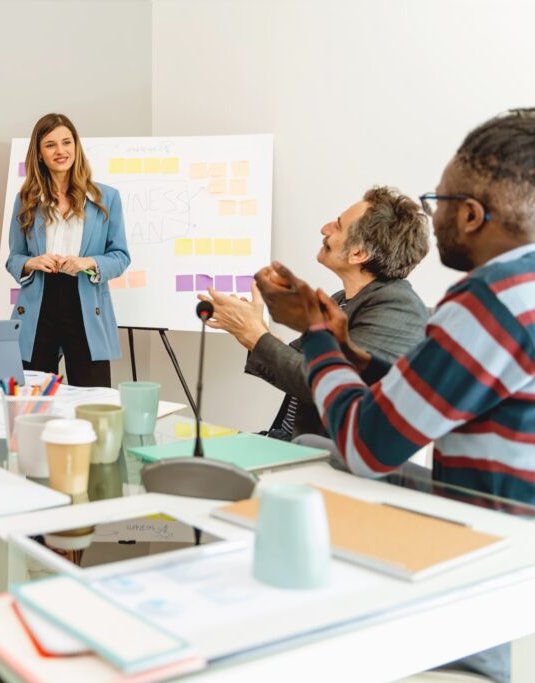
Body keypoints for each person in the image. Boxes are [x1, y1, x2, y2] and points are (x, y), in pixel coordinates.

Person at [255, 109, 535, 683]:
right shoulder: (523, 292)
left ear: (473, 214)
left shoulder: (490, 300)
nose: (436, 220)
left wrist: (311, 335)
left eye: (440, 203)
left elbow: (366, 443)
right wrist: (348, 350)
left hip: (481, 568)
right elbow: (436, 388)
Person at [199, 186, 429, 440]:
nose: (325, 228)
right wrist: (252, 326)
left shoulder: (398, 308)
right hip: (287, 441)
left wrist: (254, 334)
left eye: (338, 226)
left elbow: (327, 384)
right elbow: (296, 360)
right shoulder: (341, 300)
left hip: (328, 460)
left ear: (359, 254)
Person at [6, 113, 131, 388]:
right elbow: (14, 259)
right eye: (50, 145)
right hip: (40, 304)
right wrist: (33, 263)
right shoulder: (26, 200)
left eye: (66, 142)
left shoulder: (105, 198)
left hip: (86, 303)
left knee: (93, 401)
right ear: (39, 153)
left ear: (76, 146)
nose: (61, 151)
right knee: (32, 399)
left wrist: (88, 262)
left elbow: (120, 256)